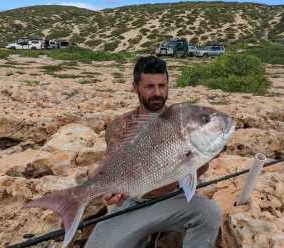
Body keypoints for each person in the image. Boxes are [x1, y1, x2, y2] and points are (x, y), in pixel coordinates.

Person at [84, 56, 222, 248]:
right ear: (135, 87)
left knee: (210, 212)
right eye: (149, 87)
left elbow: (195, 170)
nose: (157, 93)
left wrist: (200, 157)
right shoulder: (119, 127)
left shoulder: (182, 120)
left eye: (162, 85)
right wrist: (112, 192)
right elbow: (114, 168)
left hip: (174, 199)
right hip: (130, 204)